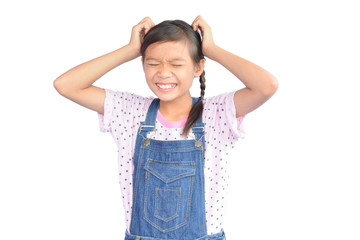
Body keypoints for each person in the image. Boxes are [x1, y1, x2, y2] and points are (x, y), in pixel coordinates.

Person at [54, 15, 278, 240]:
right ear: (142, 64)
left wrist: (211, 49)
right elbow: (66, 85)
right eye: (152, 63)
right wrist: (130, 49)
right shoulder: (130, 111)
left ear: (198, 67)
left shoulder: (217, 113)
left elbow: (266, 86)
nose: (163, 72)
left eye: (176, 64)